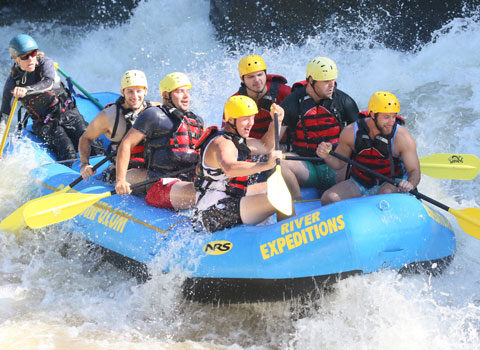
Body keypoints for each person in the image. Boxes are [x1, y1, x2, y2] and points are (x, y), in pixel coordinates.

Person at [194, 95, 298, 233]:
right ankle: (288, 239)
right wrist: (266, 165)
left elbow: (265, 146)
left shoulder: (238, 140)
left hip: (228, 199)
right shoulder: (222, 143)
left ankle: (272, 230)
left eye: (252, 118)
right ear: (231, 120)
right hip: (212, 214)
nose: (251, 123)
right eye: (245, 119)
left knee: (274, 188)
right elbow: (229, 168)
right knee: (281, 199)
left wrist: (276, 121)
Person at [1, 34, 103, 163]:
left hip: (68, 112)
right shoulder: (13, 82)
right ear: (16, 59)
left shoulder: (45, 63)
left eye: (33, 53)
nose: (31, 59)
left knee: (94, 147)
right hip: (45, 123)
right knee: (68, 154)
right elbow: (5, 114)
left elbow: (48, 82)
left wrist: (26, 90)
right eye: (25, 57)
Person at [115, 72, 205, 210]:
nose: (186, 96)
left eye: (187, 91)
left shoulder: (197, 121)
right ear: (165, 95)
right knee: (201, 194)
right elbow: (126, 144)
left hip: (188, 179)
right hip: (158, 179)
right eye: (180, 91)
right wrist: (121, 180)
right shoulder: (154, 115)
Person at [316, 91, 421, 206]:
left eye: (394, 116)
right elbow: (339, 164)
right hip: (362, 181)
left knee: (383, 197)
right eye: (386, 117)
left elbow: (414, 171)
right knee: (328, 198)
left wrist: (410, 184)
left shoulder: (402, 136)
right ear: (372, 114)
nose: (391, 122)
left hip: (392, 181)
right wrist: (326, 156)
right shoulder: (351, 132)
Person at [279, 56, 359, 193]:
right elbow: (272, 142)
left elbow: (361, 138)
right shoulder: (291, 103)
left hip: (336, 166)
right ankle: (296, 202)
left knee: (355, 160)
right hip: (307, 166)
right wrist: (277, 121)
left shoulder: (344, 101)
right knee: (279, 162)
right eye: (326, 81)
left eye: (333, 80)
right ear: (311, 80)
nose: (332, 85)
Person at [78, 70, 160, 180]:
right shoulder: (109, 116)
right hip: (124, 172)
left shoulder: (157, 109)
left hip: (153, 167)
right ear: (122, 92)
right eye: (130, 91)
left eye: (138, 91)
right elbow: (85, 138)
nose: (135, 96)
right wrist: (84, 164)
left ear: (145, 91)